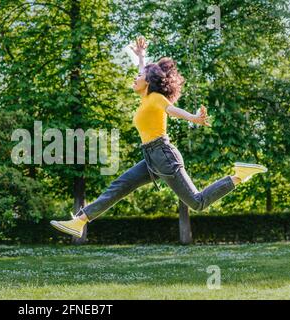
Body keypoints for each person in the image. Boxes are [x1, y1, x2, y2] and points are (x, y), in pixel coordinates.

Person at [50, 36, 267, 238]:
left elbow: (173, 110)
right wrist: (141, 55)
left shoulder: (156, 98)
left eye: (139, 76)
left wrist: (194, 117)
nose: (135, 77)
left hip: (163, 155)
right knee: (120, 186)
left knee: (197, 202)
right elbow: (144, 70)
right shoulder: (146, 99)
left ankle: (238, 176)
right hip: (151, 158)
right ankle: (81, 220)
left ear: (149, 81)